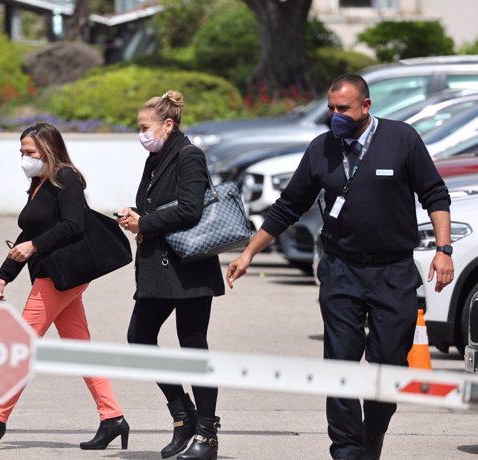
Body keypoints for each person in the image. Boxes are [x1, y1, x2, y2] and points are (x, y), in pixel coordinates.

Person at [226, 74, 454, 460]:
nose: (335, 116)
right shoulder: (321, 149)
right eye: (331, 108)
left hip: (393, 271)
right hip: (341, 271)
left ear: (366, 106)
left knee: (389, 367)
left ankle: (371, 439)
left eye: (343, 109)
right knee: (341, 364)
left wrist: (444, 249)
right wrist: (249, 253)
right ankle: (347, 451)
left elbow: (435, 193)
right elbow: (288, 205)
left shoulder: (402, 139)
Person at [0, 122, 129, 451]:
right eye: (21, 152)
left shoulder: (66, 178)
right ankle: (113, 418)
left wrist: (34, 247)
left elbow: (73, 225)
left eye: (30, 152)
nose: (24, 158)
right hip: (56, 276)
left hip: (59, 277)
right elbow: (30, 231)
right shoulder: (39, 182)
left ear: (48, 150)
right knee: (80, 348)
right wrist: (5, 272)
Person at [116, 90, 225, 460]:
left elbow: (191, 208)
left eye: (144, 127)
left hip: (189, 268)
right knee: (140, 336)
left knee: (194, 347)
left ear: (167, 124)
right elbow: (158, 203)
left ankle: (207, 434)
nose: (141, 134)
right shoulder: (157, 155)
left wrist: (145, 221)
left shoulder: (188, 154)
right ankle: (184, 417)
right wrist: (134, 214)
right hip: (160, 267)